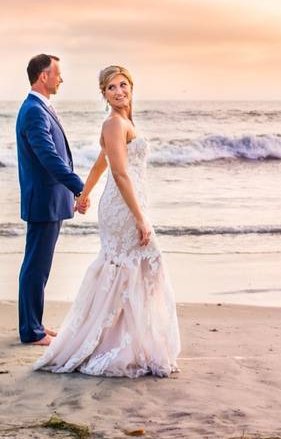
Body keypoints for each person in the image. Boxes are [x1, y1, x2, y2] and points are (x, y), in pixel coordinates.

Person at [32, 65, 180, 377]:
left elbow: (100, 163)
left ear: (131, 87)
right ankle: (116, 344)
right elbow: (119, 172)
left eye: (123, 85)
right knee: (143, 263)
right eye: (111, 88)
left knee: (129, 271)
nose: (119, 91)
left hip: (129, 203)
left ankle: (129, 343)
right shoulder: (114, 123)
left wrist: (83, 195)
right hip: (123, 208)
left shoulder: (124, 122)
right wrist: (140, 218)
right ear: (104, 94)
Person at [15, 54, 85, 346]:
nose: (61, 79)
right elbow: (49, 157)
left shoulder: (40, 108)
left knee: (39, 266)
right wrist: (78, 186)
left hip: (49, 200)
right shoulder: (33, 110)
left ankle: (35, 324)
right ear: (43, 76)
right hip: (43, 200)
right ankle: (31, 331)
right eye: (57, 74)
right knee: (35, 265)